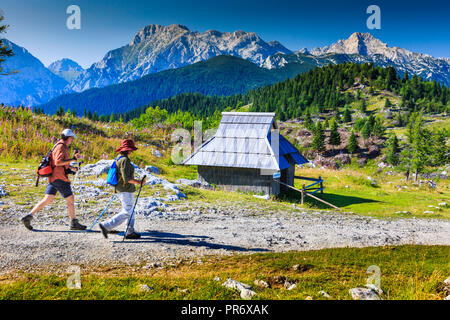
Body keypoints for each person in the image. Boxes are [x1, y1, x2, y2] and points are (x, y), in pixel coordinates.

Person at [21, 129, 87, 231]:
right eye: (72, 138)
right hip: (60, 178)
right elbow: (58, 162)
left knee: (48, 199)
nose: (72, 140)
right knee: (70, 199)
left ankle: (29, 217)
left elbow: (60, 163)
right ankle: (73, 222)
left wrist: (71, 168)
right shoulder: (62, 147)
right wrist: (73, 159)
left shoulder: (57, 145)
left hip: (53, 177)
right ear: (68, 138)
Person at [99, 139, 146, 239]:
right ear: (128, 150)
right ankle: (106, 225)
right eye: (131, 149)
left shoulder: (119, 158)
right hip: (125, 189)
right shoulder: (124, 160)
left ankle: (130, 231)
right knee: (127, 211)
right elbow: (127, 178)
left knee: (130, 210)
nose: (132, 152)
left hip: (123, 189)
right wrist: (139, 182)